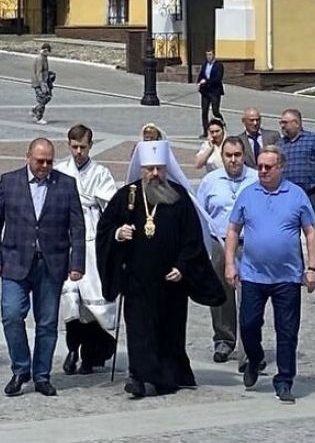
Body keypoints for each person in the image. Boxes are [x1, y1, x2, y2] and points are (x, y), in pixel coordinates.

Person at [96, 140, 226, 398]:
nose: (155, 174)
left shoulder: (178, 197)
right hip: (137, 281)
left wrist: (183, 267)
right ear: (141, 169)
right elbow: (105, 229)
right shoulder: (128, 196)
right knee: (139, 330)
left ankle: (167, 377)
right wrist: (118, 233)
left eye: (159, 169)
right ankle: (139, 377)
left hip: (170, 282)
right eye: (150, 169)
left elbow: (192, 240)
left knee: (169, 331)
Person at [0, 137, 85, 397]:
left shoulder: (66, 184)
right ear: (27, 157)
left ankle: (42, 375)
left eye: (49, 162)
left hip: (51, 263)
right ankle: (21, 368)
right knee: (11, 314)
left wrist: (77, 263)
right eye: (40, 161)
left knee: (47, 322)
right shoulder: (9, 182)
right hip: (14, 261)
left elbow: (77, 227)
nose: (44, 166)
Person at [225, 146, 315, 404]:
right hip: (253, 275)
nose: (263, 171)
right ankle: (255, 358)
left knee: (287, 331)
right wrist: (230, 264)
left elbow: (310, 232)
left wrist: (312, 267)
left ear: (281, 168)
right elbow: (233, 230)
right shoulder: (248, 194)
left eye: (268, 167)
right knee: (248, 324)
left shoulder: (296, 195)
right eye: (260, 167)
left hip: (287, 277)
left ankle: (284, 380)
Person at [55, 124, 118, 376]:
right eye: (74, 147)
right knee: (70, 299)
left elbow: (111, 209)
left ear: (90, 145)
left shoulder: (100, 173)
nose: (78, 152)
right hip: (68, 241)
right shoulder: (61, 170)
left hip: (92, 241)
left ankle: (91, 354)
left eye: (83, 147)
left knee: (91, 303)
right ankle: (72, 349)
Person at [196, 137, 258, 364]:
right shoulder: (210, 181)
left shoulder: (255, 179)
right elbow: (201, 214)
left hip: (248, 242)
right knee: (221, 293)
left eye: (237, 155)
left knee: (250, 294)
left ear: (244, 156)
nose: (233, 160)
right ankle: (224, 339)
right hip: (219, 242)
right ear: (222, 157)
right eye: (228, 155)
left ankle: (249, 344)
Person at [278, 108, 315, 220]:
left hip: (310, 194)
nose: (282, 126)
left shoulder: (314, 140)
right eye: (281, 123)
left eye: (285, 122)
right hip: (286, 195)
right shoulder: (280, 145)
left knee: (311, 225)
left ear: (297, 123)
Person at [196, 49, 225, 136]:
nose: (208, 57)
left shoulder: (219, 65)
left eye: (210, 55)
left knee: (215, 111)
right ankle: (206, 131)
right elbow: (201, 75)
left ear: (214, 55)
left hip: (215, 91)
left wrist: (206, 81)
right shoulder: (205, 64)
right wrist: (199, 83)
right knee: (204, 111)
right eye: (207, 55)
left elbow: (218, 78)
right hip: (205, 91)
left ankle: (222, 125)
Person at [30, 43, 54, 125]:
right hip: (39, 83)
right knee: (43, 99)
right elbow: (39, 73)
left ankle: (35, 110)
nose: (48, 54)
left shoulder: (43, 57)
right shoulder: (40, 59)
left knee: (46, 98)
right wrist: (43, 85)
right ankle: (38, 117)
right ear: (45, 50)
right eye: (48, 52)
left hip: (41, 82)